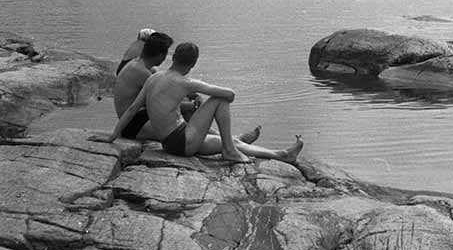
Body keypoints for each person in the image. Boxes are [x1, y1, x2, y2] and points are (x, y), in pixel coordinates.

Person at [97, 42, 302, 166]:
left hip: (172, 143)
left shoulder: (153, 78)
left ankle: (281, 155)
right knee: (219, 100)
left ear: (173, 57)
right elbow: (229, 94)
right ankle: (231, 150)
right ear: (193, 64)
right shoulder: (185, 82)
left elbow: (132, 109)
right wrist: (199, 91)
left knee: (230, 142)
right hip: (183, 142)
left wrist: (112, 136)